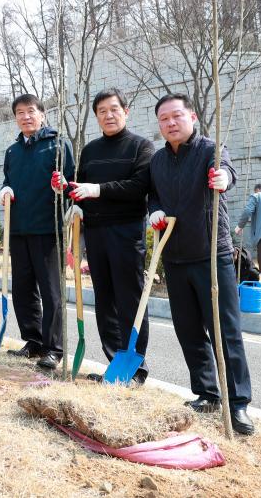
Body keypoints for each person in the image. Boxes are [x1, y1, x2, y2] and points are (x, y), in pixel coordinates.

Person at [147, 92, 254, 435]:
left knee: (225, 331)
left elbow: (227, 172)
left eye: (176, 116)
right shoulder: (158, 161)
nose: (170, 123)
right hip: (174, 257)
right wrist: (154, 210)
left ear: (191, 117)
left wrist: (224, 179)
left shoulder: (211, 149)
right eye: (164, 119)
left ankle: (238, 404)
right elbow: (153, 195)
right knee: (188, 329)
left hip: (212, 255)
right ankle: (207, 393)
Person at [66, 88, 155, 385]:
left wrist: (98, 190)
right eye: (102, 111)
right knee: (105, 301)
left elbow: (139, 186)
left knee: (129, 300)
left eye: (114, 109)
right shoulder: (90, 150)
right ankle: (115, 365)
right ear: (96, 116)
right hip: (95, 232)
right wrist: (74, 200)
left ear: (126, 111)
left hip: (127, 232)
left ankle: (136, 369)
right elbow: (80, 187)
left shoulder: (141, 146)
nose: (109, 115)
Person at [0, 94, 75, 370]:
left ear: (42, 114)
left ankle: (54, 348)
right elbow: (8, 180)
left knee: (51, 291)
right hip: (18, 229)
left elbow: (72, 182)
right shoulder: (12, 151)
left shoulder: (58, 145)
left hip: (47, 229)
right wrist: (5, 190)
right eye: (20, 112)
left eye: (31, 111)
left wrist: (64, 185)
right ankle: (33, 340)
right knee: (23, 289)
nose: (26, 117)